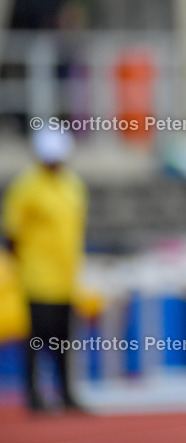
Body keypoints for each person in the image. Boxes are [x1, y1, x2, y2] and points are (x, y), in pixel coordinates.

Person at [2, 128, 87, 413]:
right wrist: (20, 268)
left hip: (65, 278)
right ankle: (35, 396)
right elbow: (12, 232)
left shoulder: (72, 184)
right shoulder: (27, 186)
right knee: (37, 339)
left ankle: (65, 393)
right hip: (36, 277)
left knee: (63, 340)